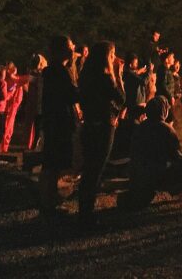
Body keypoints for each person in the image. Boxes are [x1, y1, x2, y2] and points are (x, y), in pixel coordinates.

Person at [78, 41, 126, 227]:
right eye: (112, 54)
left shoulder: (86, 75)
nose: (114, 58)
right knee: (96, 170)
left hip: (89, 125)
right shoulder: (106, 78)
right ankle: (87, 216)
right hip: (103, 127)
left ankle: (84, 211)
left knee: (89, 168)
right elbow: (121, 98)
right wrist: (118, 75)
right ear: (106, 57)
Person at [39, 36, 81, 219]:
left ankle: (48, 202)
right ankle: (49, 204)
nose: (74, 50)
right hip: (60, 121)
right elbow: (72, 95)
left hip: (53, 121)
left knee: (51, 163)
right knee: (53, 164)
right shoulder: (60, 72)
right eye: (71, 47)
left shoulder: (51, 71)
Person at [123, 96, 182, 209]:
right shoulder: (167, 130)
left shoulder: (140, 127)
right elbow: (176, 155)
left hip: (138, 171)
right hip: (157, 173)